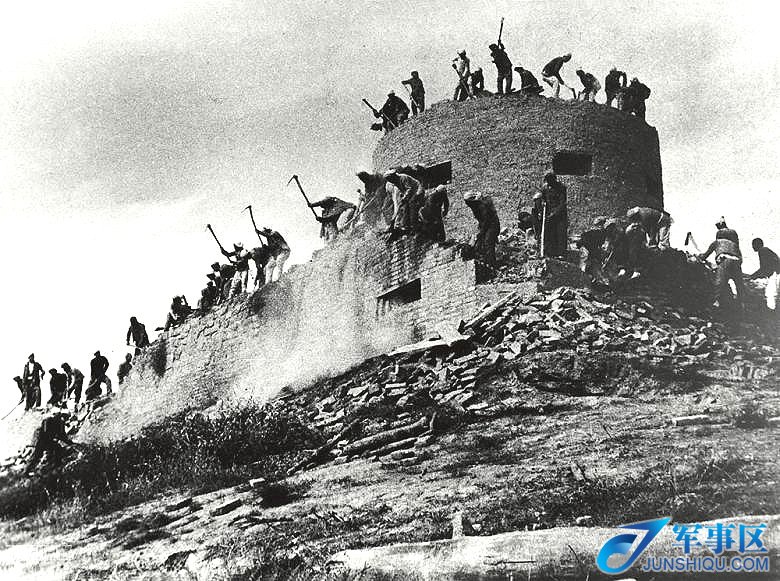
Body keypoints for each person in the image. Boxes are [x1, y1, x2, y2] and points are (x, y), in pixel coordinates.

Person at [699, 222, 744, 308]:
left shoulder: (717, 242)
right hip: (737, 260)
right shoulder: (735, 244)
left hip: (724, 259)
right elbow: (740, 258)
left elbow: (706, 255)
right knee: (739, 284)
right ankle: (741, 303)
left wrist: (701, 257)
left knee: (719, 282)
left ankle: (716, 302)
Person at [463, 192, 500, 267]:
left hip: (492, 225)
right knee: (481, 242)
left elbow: (486, 220)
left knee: (488, 242)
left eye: (467, 202)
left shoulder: (481, 205)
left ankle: (492, 264)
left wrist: (481, 232)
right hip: (487, 224)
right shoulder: (475, 205)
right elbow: (481, 220)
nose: (466, 204)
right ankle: (485, 259)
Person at [384, 170, 424, 235]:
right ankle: (406, 226)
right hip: (410, 194)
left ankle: (416, 229)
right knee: (405, 209)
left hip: (417, 191)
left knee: (412, 208)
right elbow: (402, 190)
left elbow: (409, 189)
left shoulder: (403, 178)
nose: (390, 181)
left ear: (393, 176)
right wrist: (402, 197)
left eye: (390, 179)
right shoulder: (394, 182)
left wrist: (404, 198)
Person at [540, 173, 568, 257]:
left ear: (554, 180)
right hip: (549, 213)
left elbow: (562, 202)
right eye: (547, 180)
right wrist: (543, 202)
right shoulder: (545, 188)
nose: (549, 182)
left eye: (550, 180)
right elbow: (543, 198)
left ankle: (561, 253)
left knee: (560, 233)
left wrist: (555, 213)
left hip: (560, 214)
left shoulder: (561, 188)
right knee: (550, 233)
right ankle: (550, 252)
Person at [749, 238, 780, 310]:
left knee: (771, 294)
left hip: (775, 274)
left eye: (753, 245)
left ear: (757, 245)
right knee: (773, 294)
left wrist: (753, 276)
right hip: (776, 273)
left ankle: (772, 312)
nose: (752, 247)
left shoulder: (762, 251)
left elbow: (764, 268)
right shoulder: (765, 250)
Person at [577, 217, 608, 284]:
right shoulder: (599, 232)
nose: (601, 227)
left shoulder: (600, 232)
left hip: (590, 251)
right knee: (587, 267)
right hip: (588, 250)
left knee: (591, 267)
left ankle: (592, 281)